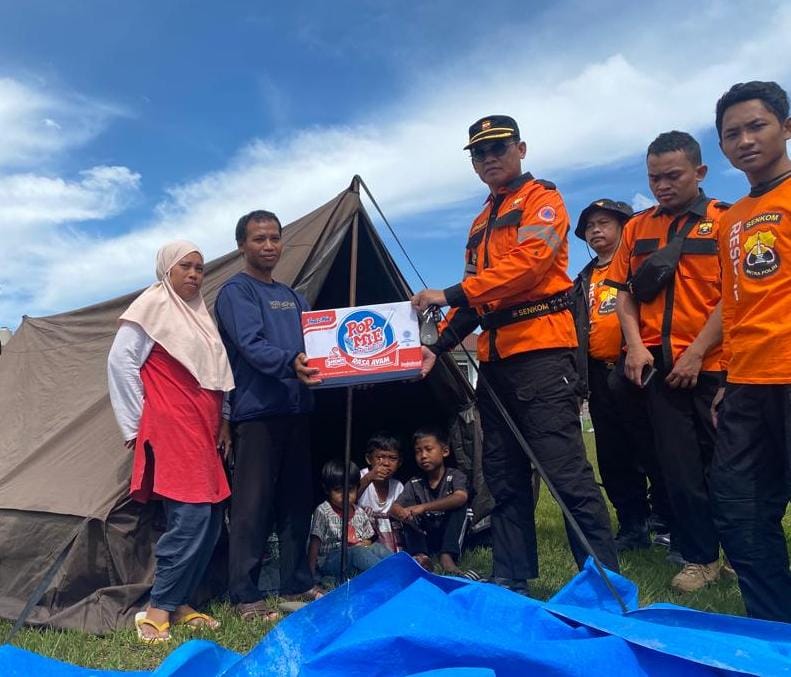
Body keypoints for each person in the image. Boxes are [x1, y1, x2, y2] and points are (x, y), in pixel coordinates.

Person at [412, 115, 618, 591]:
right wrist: (436, 349)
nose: (488, 159)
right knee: (502, 475)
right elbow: (475, 299)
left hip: (543, 353)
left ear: (520, 149)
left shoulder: (543, 199)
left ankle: (602, 581)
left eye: (498, 149)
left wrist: (448, 293)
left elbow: (528, 267)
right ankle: (512, 573)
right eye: (479, 153)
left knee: (565, 471)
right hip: (497, 360)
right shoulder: (480, 221)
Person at [606, 131, 729, 592]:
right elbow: (623, 295)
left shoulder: (723, 220)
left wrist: (697, 353)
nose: (662, 185)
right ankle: (699, 558)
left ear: (700, 173)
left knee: (728, 466)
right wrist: (635, 346)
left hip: (714, 363)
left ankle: (738, 550)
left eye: (673, 176)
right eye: (654, 177)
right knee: (679, 467)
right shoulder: (636, 228)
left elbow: (732, 297)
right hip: (659, 366)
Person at [107, 241, 235, 643]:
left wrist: (224, 421)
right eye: (186, 267)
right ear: (167, 270)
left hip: (203, 431)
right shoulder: (151, 309)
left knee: (212, 521)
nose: (195, 274)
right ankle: (157, 609)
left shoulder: (199, 317)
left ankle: (179, 604)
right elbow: (120, 363)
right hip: (173, 429)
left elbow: (215, 376)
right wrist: (135, 425)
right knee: (190, 519)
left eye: (200, 268)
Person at [215, 210, 324, 622]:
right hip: (258, 414)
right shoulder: (235, 293)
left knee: (297, 502)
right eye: (259, 239)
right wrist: (290, 362)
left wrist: (351, 368)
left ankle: (297, 581)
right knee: (252, 506)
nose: (268, 246)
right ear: (242, 245)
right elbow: (250, 344)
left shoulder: (295, 297)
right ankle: (245, 593)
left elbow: (320, 346)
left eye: (274, 238)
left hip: (298, 411)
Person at [710, 80, 791, 622]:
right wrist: (725, 376)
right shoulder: (731, 219)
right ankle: (775, 632)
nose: (744, 141)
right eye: (731, 134)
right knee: (738, 511)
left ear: (785, 127)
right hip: (746, 384)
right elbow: (733, 304)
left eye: (756, 126)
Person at [572, 199, 672, 551]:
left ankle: (666, 522)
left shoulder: (641, 266)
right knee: (613, 455)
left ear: (624, 227)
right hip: (598, 375)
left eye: (604, 223)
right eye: (590, 226)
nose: (596, 230)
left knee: (654, 447)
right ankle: (632, 525)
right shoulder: (582, 280)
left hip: (640, 369)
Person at [390, 426, 470, 576]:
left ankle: (447, 556)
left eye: (428, 449)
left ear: (445, 451)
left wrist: (424, 507)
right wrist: (402, 513)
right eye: (418, 451)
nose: (423, 455)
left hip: (450, 533)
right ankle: (421, 556)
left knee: (460, 507)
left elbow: (461, 497)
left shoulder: (455, 476)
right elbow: (394, 508)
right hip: (427, 534)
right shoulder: (415, 482)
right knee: (409, 517)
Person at [308, 460, 392, 578]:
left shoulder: (359, 511)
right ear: (327, 490)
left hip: (356, 556)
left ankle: (399, 568)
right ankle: (385, 576)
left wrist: (363, 544)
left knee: (377, 547)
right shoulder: (323, 511)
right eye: (338, 490)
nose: (345, 495)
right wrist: (311, 574)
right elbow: (314, 543)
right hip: (330, 561)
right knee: (357, 553)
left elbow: (369, 539)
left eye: (350, 490)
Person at [357, 432, 405, 552]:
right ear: (369, 459)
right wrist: (369, 478)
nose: (386, 463)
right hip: (362, 533)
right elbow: (346, 501)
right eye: (380, 457)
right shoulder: (360, 476)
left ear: (399, 463)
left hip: (389, 537)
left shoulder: (397, 486)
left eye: (393, 458)